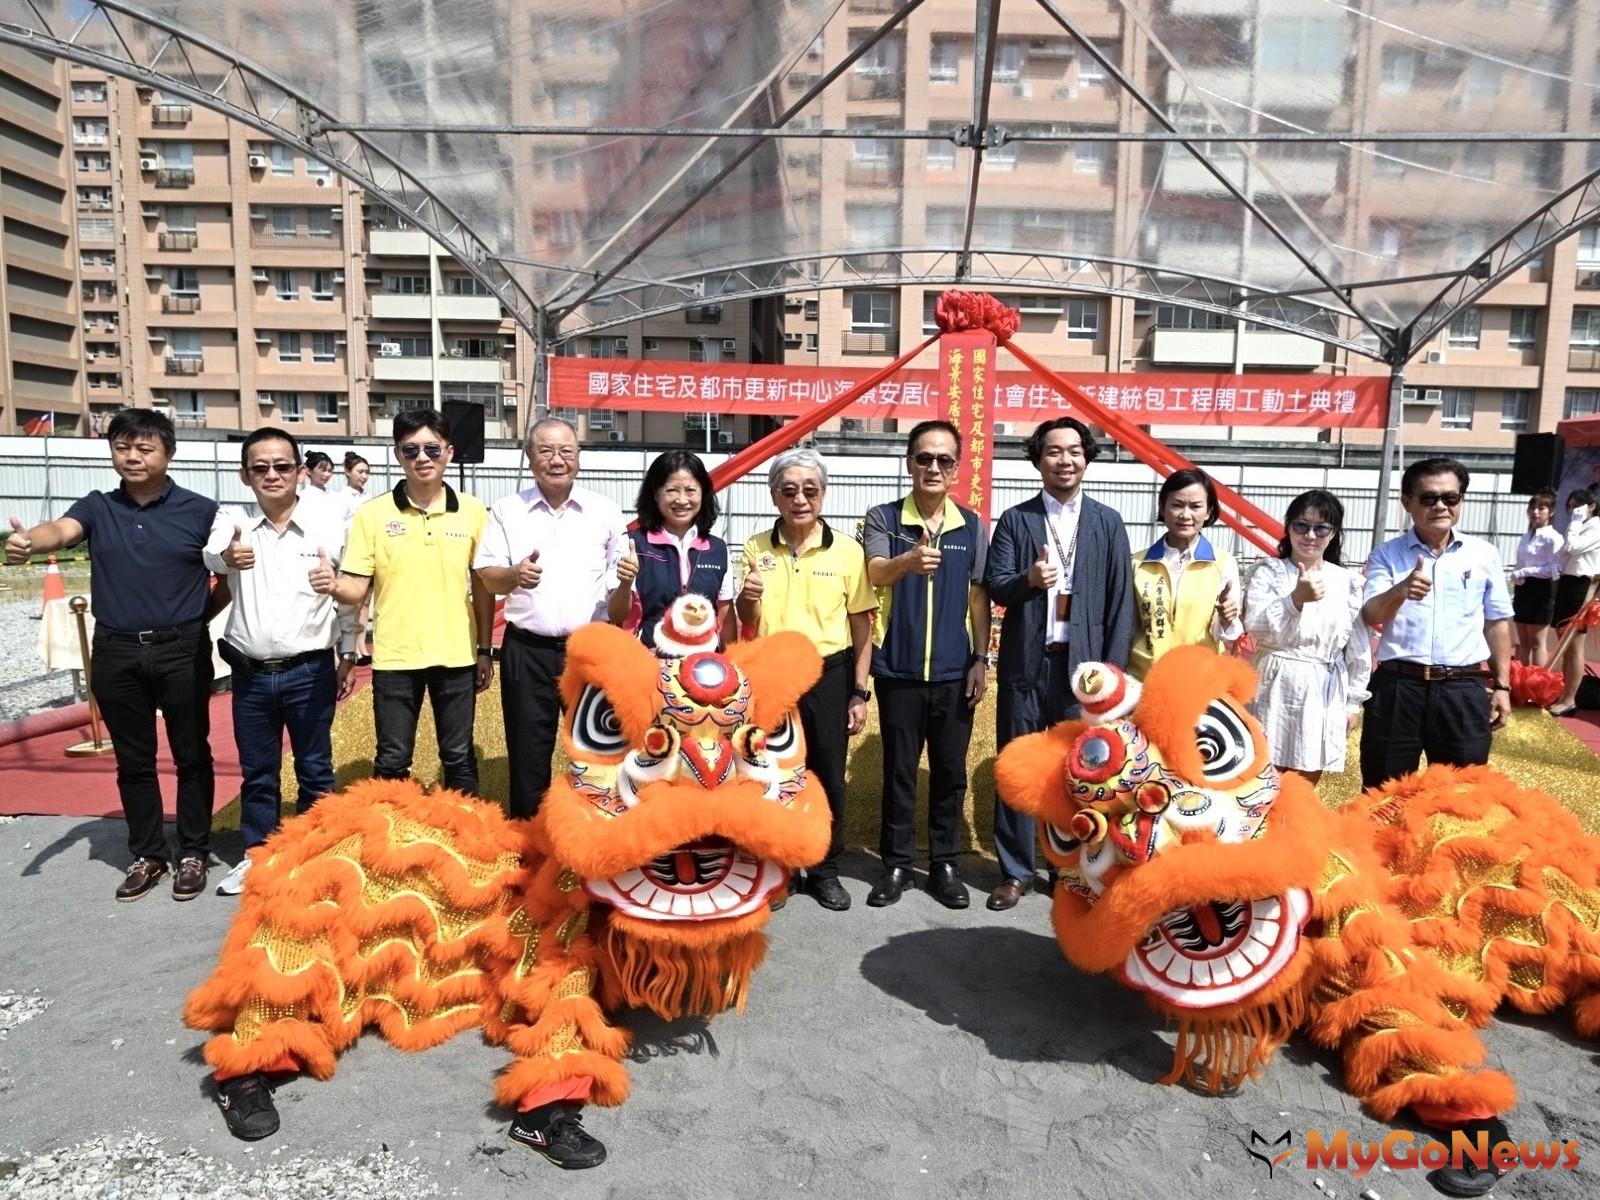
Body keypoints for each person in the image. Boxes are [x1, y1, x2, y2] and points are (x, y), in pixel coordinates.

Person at [4, 407, 226, 901]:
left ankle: (193, 851)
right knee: (134, 759)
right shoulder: (98, 506)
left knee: (192, 754)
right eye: (122, 447)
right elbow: (59, 531)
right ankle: (147, 854)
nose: (132, 456)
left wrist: (194, 621)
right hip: (117, 651)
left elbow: (227, 577)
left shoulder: (201, 510)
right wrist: (28, 543)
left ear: (169, 453)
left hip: (181, 649)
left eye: (145, 448)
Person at [984, 417, 1134, 912]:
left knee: (1081, 773)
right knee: (1020, 767)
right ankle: (1015, 871)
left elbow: (1119, 606)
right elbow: (996, 585)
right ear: (1038, 460)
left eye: (1074, 451)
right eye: (1053, 451)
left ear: (1086, 459)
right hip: (1027, 664)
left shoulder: (1107, 523)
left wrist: (1110, 678)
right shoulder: (1016, 519)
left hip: (1083, 673)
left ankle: (1068, 869)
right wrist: (1028, 579)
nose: (1064, 460)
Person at [204, 427, 360, 895]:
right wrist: (227, 556)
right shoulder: (233, 524)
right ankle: (259, 856)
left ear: (299, 471)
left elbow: (349, 597)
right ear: (245, 475)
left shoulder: (327, 528)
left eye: (282, 466)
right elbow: (211, 556)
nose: (272, 475)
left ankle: (317, 854)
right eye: (260, 467)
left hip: (309, 669)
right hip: (250, 674)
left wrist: (349, 652)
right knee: (258, 771)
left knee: (315, 769)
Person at [312, 409, 494, 795]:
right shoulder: (372, 515)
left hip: (457, 655)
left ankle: (467, 845)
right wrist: (332, 584)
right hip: (396, 658)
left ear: (449, 451)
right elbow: (356, 588)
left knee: (458, 758)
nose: (422, 458)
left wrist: (484, 650)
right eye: (411, 450)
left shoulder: (474, 511)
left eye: (431, 448)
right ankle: (390, 847)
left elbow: (483, 587)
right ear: (397, 455)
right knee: (392, 760)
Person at [736, 447, 876, 911]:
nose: (801, 498)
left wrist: (859, 689)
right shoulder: (756, 547)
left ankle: (824, 868)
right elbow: (744, 618)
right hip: (770, 673)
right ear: (775, 496)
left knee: (827, 775)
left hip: (828, 673)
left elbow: (862, 624)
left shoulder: (849, 550)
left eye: (810, 490)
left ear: (824, 494)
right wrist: (748, 597)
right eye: (789, 490)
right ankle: (777, 867)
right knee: (769, 772)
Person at [862, 421, 990, 910]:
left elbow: (979, 597)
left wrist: (980, 658)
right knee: (898, 770)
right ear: (909, 462)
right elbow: (874, 572)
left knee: (949, 772)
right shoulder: (884, 518)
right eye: (923, 458)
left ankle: (944, 864)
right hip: (898, 669)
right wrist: (907, 562)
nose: (933, 468)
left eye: (943, 460)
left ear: (956, 468)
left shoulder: (970, 524)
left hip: (956, 671)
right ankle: (895, 864)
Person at [475, 417, 627, 817]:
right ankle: (531, 850)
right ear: (529, 457)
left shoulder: (605, 512)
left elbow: (620, 596)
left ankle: (596, 848)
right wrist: (514, 575)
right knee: (528, 756)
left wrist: (628, 585)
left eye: (566, 451)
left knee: (598, 754)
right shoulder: (509, 511)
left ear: (579, 457)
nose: (556, 460)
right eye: (545, 450)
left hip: (590, 653)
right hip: (527, 649)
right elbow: (488, 577)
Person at [1359, 457, 1513, 789]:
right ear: (1407, 503)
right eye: (1428, 498)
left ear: (1462, 500)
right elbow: (1372, 615)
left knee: (1463, 796)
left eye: (1450, 498)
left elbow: (1497, 622)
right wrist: (1400, 591)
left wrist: (1502, 686)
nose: (1440, 506)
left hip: (1463, 689)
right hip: (1399, 688)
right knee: (1383, 794)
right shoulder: (1386, 555)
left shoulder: (1483, 554)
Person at [1243, 489, 1371, 786]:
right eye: (1301, 525)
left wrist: (1353, 703)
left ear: (1333, 533)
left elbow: (1358, 650)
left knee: (1302, 784)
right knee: (1260, 780)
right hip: (1272, 681)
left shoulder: (1346, 582)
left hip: (1321, 689)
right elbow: (1257, 626)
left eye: (1320, 528)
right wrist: (1294, 601)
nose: (1310, 535)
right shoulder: (1270, 572)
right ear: (1288, 527)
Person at [606, 450, 734, 648]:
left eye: (691, 490)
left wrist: (731, 662)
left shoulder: (718, 549)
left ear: (703, 493)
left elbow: (725, 616)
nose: (682, 500)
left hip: (703, 669)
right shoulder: (631, 544)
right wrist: (625, 583)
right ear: (655, 494)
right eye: (672, 490)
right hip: (647, 664)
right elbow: (616, 615)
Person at [1129, 468, 1243, 680]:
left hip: (1199, 680)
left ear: (1209, 511)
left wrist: (1227, 618)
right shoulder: (1136, 563)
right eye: (1177, 505)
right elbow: (1128, 626)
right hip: (1144, 679)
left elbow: (1225, 631)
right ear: (1163, 508)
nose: (1185, 515)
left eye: (1196, 506)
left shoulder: (1224, 563)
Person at [1548, 488, 1600, 717]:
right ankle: (1563, 694)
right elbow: (1564, 554)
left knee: (1575, 645)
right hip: (1568, 583)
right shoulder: (1577, 527)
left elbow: (1573, 547)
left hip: (1582, 585)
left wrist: (1576, 522)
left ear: (1591, 507)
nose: (1573, 511)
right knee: (1564, 644)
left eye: (1577, 506)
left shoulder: (1595, 526)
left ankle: (1570, 699)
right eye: (1570, 507)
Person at [1510, 489, 1563, 666]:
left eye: (1541, 508)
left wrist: (1525, 572)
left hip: (1542, 590)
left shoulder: (1553, 537)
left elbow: (1553, 568)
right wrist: (1517, 574)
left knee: (1537, 643)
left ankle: (1537, 685)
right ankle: (1520, 683)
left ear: (1552, 512)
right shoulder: (1526, 536)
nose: (1535, 512)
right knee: (1522, 642)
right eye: (1532, 508)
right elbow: (1521, 561)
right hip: (1523, 589)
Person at [339, 451, 374, 663]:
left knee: (366, 602)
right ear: (347, 472)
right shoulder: (341, 498)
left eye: (367, 472)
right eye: (360, 471)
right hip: (348, 553)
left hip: (368, 553)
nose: (364, 476)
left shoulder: (368, 498)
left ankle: (362, 646)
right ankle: (347, 648)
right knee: (350, 602)